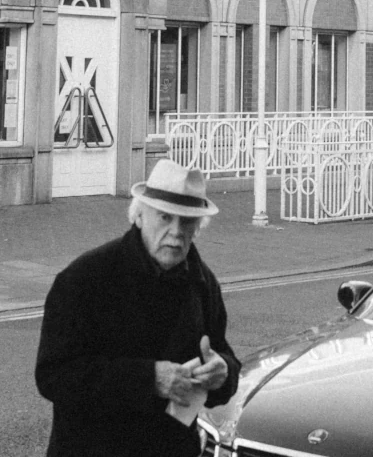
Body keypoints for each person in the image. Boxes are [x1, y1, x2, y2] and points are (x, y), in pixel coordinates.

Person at [35, 161, 240, 457]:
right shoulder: (85, 278)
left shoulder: (203, 282)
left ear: (198, 227)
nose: (176, 232)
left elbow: (221, 355)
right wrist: (149, 379)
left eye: (187, 222)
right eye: (165, 217)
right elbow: (55, 375)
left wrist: (223, 372)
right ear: (140, 215)